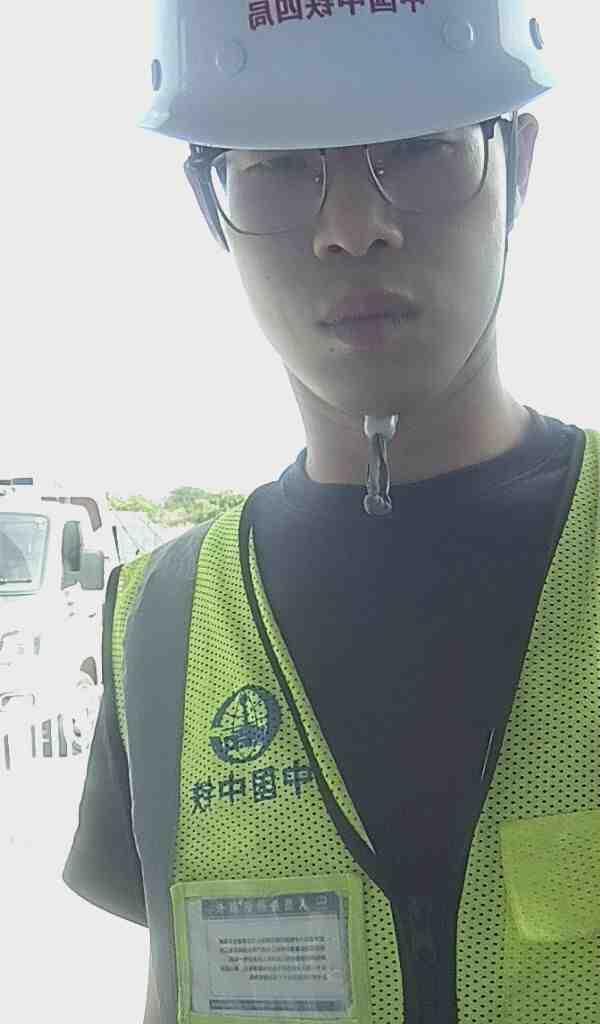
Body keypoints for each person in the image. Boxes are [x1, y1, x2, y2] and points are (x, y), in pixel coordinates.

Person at [63, 2, 600, 1022]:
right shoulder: (161, 628)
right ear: (209, 203)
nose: (352, 226)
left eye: (416, 147)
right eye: (279, 165)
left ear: (519, 166)